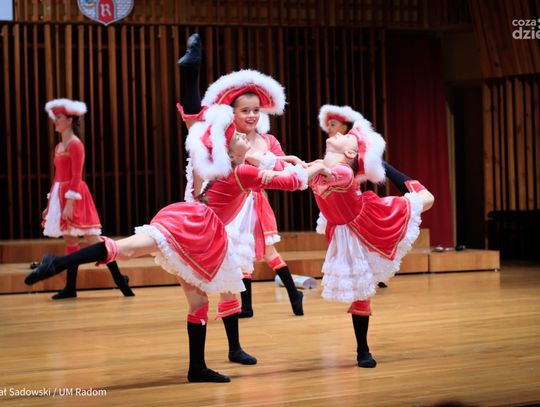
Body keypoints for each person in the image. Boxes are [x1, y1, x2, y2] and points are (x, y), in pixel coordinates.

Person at [26, 109, 318, 382]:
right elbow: (291, 183)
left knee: (158, 271)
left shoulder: (224, 166)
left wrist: (291, 161)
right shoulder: (242, 172)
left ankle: (58, 263)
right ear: (229, 151)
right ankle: (201, 366)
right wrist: (317, 168)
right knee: (148, 262)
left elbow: (270, 162)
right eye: (238, 136)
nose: (244, 135)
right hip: (199, 230)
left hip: (187, 219)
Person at [178, 34, 304, 318]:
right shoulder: (225, 133)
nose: (252, 115)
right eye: (245, 110)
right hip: (222, 194)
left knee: (246, 254)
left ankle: (243, 307)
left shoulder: (267, 141)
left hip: (249, 202)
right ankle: (190, 72)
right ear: (231, 113)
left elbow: (280, 170)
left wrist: (283, 165)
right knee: (194, 126)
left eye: (256, 110)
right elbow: (196, 125)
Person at [307, 120, 434, 368]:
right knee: (361, 290)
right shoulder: (322, 167)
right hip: (345, 228)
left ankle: (363, 349)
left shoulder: (342, 172)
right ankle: (362, 349)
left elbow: (308, 176)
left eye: (347, 135)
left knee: (427, 198)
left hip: (366, 219)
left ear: (350, 153)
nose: (339, 133)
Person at [40, 99, 133, 299]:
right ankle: (70, 288)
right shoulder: (59, 146)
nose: (55, 121)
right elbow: (57, 177)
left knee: (94, 241)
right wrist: (50, 205)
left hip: (75, 196)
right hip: (60, 195)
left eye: (59, 117)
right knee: (70, 241)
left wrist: (70, 203)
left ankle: (120, 280)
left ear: (69, 121)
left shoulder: (76, 145)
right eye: (55, 117)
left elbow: (76, 176)